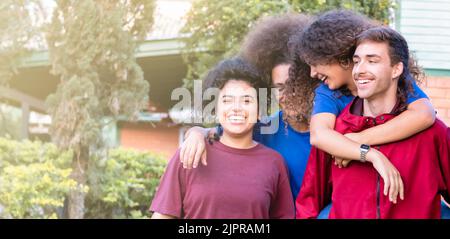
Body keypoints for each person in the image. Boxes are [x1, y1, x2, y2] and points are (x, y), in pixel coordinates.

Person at [283, 10, 435, 205]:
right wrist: (369, 153)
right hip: (354, 194)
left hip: (402, 190)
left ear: (339, 56)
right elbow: (320, 135)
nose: (312, 73)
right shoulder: (329, 93)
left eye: (315, 63)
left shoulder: (393, 80)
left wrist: (357, 139)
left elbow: (424, 114)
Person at [179, 14, 318, 202]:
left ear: (312, 82)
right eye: (280, 87)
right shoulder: (266, 128)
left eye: (296, 84)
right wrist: (195, 133)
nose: (289, 94)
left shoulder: (333, 127)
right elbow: (217, 133)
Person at [150, 58, 294, 219]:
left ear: (260, 110)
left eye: (246, 100)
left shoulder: (274, 163)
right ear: (216, 108)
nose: (236, 108)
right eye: (227, 100)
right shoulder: (190, 153)